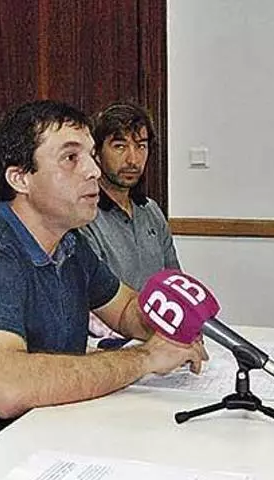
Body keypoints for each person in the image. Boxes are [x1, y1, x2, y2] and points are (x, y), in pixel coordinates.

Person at [0, 100, 208, 459]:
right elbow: (6, 387)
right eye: (71, 158)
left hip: (53, 432)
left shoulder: (69, 241)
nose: (94, 171)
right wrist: (145, 358)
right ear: (20, 178)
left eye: (92, 156)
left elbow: (126, 308)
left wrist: (172, 328)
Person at [78, 102, 182, 346]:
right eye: (120, 146)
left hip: (161, 337)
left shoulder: (151, 210)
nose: (133, 159)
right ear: (96, 153)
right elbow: (90, 303)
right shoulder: (83, 216)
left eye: (141, 146)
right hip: (107, 343)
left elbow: (174, 282)